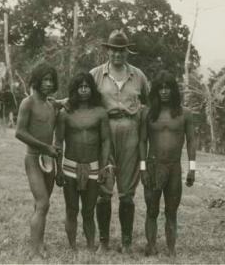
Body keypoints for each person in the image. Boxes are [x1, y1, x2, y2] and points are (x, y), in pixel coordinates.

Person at [89, 29, 149, 253]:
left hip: (131, 132)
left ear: (127, 51)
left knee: (127, 191)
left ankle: (126, 243)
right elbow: (80, 97)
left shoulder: (138, 76)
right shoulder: (96, 74)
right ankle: (103, 242)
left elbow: (149, 104)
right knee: (104, 188)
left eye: (121, 50)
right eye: (114, 50)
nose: (117, 54)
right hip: (104, 132)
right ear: (108, 51)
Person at [139, 71, 196, 257]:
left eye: (168, 88)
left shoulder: (184, 114)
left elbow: (191, 141)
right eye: (161, 88)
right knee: (152, 209)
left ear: (173, 90)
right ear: (156, 90)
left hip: (174, 167)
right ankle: (151, 246)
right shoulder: (147, 113)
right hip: (153, 165)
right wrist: (142, 169)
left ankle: (171, 250)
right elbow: (142, 141)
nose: (164, 91)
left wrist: (192, 169)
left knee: (171, 211)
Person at [54, 72, 111, 251]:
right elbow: (58, 142)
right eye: (80, 87)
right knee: (72, 210)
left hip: (93, 167)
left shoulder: (100, 112)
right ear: (75, 90)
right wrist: (59, 169)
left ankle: (90, 247)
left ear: (92, 89)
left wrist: (103, 167)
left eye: (87, 86)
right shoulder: (65, 113)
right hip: (70, 166)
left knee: (88, 211)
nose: (84, 90)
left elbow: (105, 140)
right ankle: (72, 248)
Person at [15, 62, 60, 259]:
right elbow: (19, 132)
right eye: (44, 80)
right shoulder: (28, 103)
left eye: (51, 80)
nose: (48, 84)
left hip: (49, 159)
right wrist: (44, 147)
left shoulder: (51, 104)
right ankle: (34, 252)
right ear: (37, 81)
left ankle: (39, 243)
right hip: (33, 158)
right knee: (43, 203)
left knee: (41, 204)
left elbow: (63, 102)